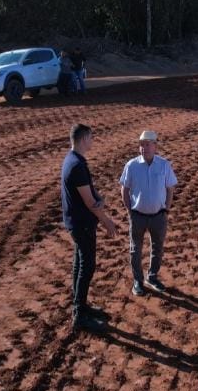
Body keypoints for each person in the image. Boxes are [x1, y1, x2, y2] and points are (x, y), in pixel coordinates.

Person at [61, 123, 117, 333]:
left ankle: (80, 306)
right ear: (84, 139)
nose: (92, 141)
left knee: (79, 263)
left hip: (76, 222)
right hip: (82, 224)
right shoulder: (77, 165)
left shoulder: (71, 160)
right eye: (91, 138)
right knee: (87, 266)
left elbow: (89, 193)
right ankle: (80, 314)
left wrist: (99, 198)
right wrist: (106, 220)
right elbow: (88, 202)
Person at [119, 130, 178, 296]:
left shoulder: (164, 165)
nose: (144, 147)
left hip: (159, 215)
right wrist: (129, 210)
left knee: (157, 248)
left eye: (147, 144)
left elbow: (170, 189)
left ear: (155, 146)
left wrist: (166, 209)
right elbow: (124, 189)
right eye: (141, 145)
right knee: (135, 249)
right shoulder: (131, 165)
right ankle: (138, 281)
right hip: (138, 215)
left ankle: (152, 277)